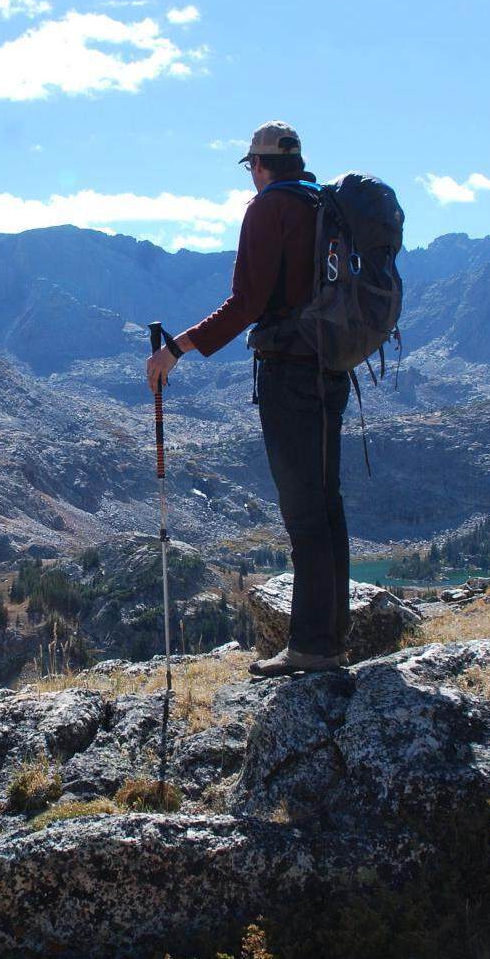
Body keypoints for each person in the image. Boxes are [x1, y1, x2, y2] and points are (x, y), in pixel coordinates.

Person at [145, 121, 350, 677]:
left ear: (259, 165)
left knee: (303, 511)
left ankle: (311, 647)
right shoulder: (324, 205)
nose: (252, 176)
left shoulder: (268, 209)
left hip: (290, 372)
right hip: (333, 368)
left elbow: (246, 303)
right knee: (327, 502)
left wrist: (177, 348)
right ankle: (333, 635)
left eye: (250, 167)